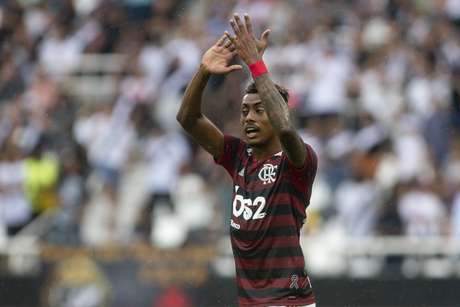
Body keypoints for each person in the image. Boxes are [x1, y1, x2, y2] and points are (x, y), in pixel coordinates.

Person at [177, 13, 317, 307]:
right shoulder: (238, 156)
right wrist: (203, 71)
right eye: (244, 111)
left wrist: (256, 64)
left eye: (258, 110)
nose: (249, 118)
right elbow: (188, 119)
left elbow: (286, 128)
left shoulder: (297, 162)